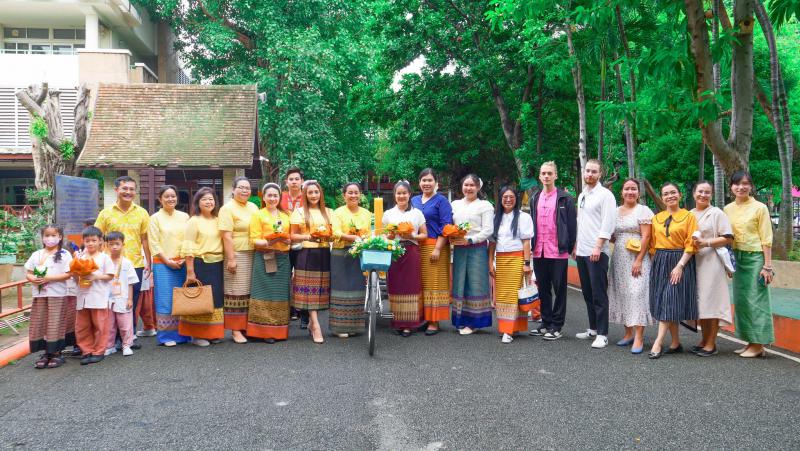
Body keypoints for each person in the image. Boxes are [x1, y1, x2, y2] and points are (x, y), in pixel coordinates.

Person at [724, 171, 775, 358]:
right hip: (737, 259)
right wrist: (729, 263)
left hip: (755, 258)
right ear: (731, 187)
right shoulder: (727, 209)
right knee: (742, 301)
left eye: (745, 183)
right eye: (737, 184)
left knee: (757, 301)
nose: (741, 187)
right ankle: (750, 341)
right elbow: (727, 238)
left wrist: (767, 266)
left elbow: (766, 238)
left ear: (751, 186)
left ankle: (758, 344)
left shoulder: (760, 208)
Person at [94, 176, 152, 336]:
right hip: (111, 265)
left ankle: (128, 336)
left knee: (131, 301)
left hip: (135, 264)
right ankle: (110, 337)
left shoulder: (142, 213)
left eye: (132, 189)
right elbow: (97, 237)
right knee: (110, 299)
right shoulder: (105, 213)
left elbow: (145, 239)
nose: (128, 192)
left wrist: (149, 262)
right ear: (116, 190)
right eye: (124, 188)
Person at [648, 182, 698, 359]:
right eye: (666, 194)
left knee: (670, 299)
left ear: (680, 194)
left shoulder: (689, 217)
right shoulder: (657, 218)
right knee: (667, 301)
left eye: (673, 192)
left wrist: (680, 266)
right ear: (662, 198)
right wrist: (655, 265)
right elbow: (652, 244)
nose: (670, 196)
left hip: (680, 260)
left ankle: (658, 342)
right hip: (660, 260)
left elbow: (691, 244)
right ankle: (675, 343)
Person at [528, 161, 576, 341]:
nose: (546, 176)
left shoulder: (565, 198)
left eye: (550, 173)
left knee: (559, 289)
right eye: (543, 173)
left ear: (555, 175)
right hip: (539, 250)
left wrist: (570, 247)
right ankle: (546, 322)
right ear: (540, 176)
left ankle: (557, 325)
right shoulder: (534, 198)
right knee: (543, 289)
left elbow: (572, 225)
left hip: (558, 251)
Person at [607, 179, 655, 354]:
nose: (630, 192)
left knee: (637, 294)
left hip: (637, 258)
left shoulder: (643, 210)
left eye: (633, 189)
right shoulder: (614, 211)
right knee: (623, 293)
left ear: (638, 192)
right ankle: (628, 333)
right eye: (627, 189)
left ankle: (639, 337)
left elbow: (646, 237)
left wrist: (639, 259)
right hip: (619, 257)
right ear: (622, 192)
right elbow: (612, 235)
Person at [574, 159, 617, 349]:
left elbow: (608, 223)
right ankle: (592, 329)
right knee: (587, 292)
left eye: (594, 171)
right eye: (587, 171)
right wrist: (576, 245)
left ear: (600, 174)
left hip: (597, 252)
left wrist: (598, 246)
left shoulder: (606, 195)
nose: (590, 174)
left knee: (599, 293)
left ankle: (602, 334)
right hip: (582, 251)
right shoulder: (582, 195)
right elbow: (580, 222)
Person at [690, 180, 734, 357]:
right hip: (694, 262)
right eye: (700, 191)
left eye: (707, 192)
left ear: (712, 195)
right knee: (702, 303)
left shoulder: (717, 213)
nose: (703, 195)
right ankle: (704, 339)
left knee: (712, 302)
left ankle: (711, 343)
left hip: (712, 262)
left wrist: (706, 242)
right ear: (694, 193)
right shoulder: (689, 214)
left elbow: (728, 237)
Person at [179, 188, 226, 346]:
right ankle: (197, 336)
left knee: (215, 300)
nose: (208, 202)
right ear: (197, 202)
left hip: (217, 264)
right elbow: (188, 246)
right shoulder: (194, 221)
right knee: (200, 300)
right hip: (201, 264)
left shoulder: (218, 220)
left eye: (211, 199)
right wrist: (190, 272)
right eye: (204, 199)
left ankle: (213, 334)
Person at [248, 183, 293, 342]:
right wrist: (270, 241)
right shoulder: (258, 215)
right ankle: (263, 332)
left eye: (275, 195)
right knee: (263, 292)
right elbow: (254, 240)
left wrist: (287, 240)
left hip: (283, 258)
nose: (272, 198)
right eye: (269, 195)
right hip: (264, 257)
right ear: (264, 197)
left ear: (279, 197)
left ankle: (278, 331)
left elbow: (291, 237)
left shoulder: (286, 215)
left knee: (280, 294)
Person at [290, 180, 334, 343]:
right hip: (306, 253)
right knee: (309, 292)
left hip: (324, 253)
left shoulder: (329, 212)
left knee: (320, 291)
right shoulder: (299, 212)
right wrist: (308, 236)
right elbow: (292, 236)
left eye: (316, 192)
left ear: (320, 194)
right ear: (305, 195)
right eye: (310, 192)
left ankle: (311, 323)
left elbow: (332, 234)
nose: (314, 195)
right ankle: (316, 325)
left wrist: (328, 236)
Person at [450, 174, 494, 335]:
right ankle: (460, 319)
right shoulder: (455, 204)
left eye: (472, 185)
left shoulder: (485, 205)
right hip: (459, 249)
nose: (468, 188)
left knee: (476, 283)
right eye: (466, 185)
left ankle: (475, 322)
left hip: (477, 248)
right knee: (460, 282)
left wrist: (470, 240)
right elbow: (450, 225)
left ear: (478, 187)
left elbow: (488, 230)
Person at [24, 225, 74, 369]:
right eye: (47, 235)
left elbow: (69, 274)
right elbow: (29, 273)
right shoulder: (37, 254)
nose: (50, 238)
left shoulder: (65, 254)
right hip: (40, 295)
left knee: (55, 322)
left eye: (53, 235)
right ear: (42, 237)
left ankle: (57, 353)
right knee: (41, 322)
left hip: (57, 294)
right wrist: (33, 279)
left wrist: (49, 278)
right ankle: (46, 352)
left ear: (60, 237)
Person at [411, 168, 453, 335]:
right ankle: (423, 318)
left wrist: (437, 248)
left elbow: (446, 227)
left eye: (430, 180)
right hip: (416, 246)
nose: (426, 183)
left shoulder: (442, 201)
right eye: (424, 180)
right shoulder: (414, 200)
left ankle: (434, 321)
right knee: (419, 284)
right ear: (419, 182)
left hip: (435, 246)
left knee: (434, 284)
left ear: (436, 183)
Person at [489, 187, 533, 344]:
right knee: (502, 295)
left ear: (516, 199)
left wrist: (526, 263)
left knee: (513, 294)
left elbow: (526, 241)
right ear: (500, 199)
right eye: (505, 197)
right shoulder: (496, 218)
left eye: (511, 197)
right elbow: (492, 243)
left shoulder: (523, 217)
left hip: (517, 259)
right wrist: (490, 262)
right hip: (500, 260)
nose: (508, 200)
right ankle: (510, 327)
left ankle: (508, 330)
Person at [383, 180, 428, 337]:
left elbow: (424, 235)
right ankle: (397, 321)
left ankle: (409, 324)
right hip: (394, 252)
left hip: (411, 250)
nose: (401, 196)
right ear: (394, 195)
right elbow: (386, 236)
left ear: (409, 194)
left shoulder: (417, 213)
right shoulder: (388, 214)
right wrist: (390, 235)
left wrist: (412, 236)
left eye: (404, 193)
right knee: (395, 285)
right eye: (398, 193)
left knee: (411, 286)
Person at [148, 185, 191, 347]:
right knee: (165, 299)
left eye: (173, 196)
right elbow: (154, 243)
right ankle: (166, 336)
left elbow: (189, 239)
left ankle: (185, 334)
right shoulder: (155, 218)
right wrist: (167, 261)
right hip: (163, 264)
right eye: (167, 196)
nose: (170, 199)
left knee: (183, 298)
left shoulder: (185, 216)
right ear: (160, 199)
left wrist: (184, 258)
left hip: (182, 263)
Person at [219, 176, 259, 343]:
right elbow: (226, 236)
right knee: (235, 292)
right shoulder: (227, 209)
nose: (244, 190)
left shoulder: (253, 207)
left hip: (254, 253)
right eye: (241, 187)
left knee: (249, 292)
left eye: (247, 188)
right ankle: (235, 330)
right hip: (237, 253)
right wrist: (231, 259)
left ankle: (246, 326)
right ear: (233, 190)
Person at [329, 182, 371, 338]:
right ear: (344, 195)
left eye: (356, 192)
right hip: (341, 253)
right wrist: (353, 237)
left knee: (357, 288)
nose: (353, 195)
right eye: (350, 193)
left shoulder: (366, 213)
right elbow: (335, 233)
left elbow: (368, 233)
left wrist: (363, 238)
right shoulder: (338, 212)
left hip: (358, 254)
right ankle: (339, 327)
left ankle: (355, 326)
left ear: (360, 194)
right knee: (340, 289)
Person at [74, 226, 115, 365]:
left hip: (99, 296)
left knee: (100, 325)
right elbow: (74, 277)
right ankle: (86, 350)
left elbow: (110, 276)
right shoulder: (80, 257)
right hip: (82, 296)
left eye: (93, 240)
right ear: (83, 241)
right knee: (82, 326)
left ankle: (99, 351)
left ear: (100, 241)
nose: (90, 243)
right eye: (87, 241)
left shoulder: (105, 258)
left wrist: (96, 277)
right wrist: (76, 274)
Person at [104, 232, 139, 357]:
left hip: (123, 297)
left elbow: (130, 282)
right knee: (109, 324)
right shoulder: (104, 261)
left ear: (123, 245)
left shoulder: (127, 262)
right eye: (111, 244)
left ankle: (127, 345)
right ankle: (109, 346)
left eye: (117, 244)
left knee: (125, 324)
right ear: (106, 245)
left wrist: (130, 299)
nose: (114, 247)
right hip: (107, 299)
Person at [281, 167, 305, 324]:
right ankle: (286, 309)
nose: (294, 182)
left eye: (297, 179)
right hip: (283, 243)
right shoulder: (280, 197)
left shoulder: (307, 197)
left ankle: (301, 310)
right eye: (291, 179)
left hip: (302, 243)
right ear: (286, 182)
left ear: (302, 181)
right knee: (284, 276)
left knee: (301, 277)